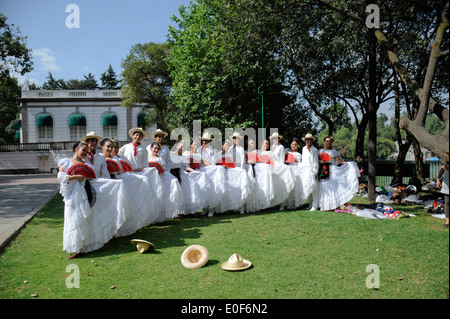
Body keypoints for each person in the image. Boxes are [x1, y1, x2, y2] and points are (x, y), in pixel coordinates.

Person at [57, 142, 126, 259]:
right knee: (74, 219)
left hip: (87, 192)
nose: (85, 153)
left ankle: (84, 246)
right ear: (76, 149)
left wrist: (113, 183)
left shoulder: (87, 163)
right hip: (73, 195)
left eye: (86, 151)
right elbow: (61, 177)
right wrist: (76, 177)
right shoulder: (66, 162)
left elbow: (93, 176)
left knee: (86, 218)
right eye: (83, 150)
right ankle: (76, 247)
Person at [100, 138, 163, 235]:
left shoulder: (116, 158)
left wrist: (132, 174)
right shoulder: (99, 158)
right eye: (109, 147)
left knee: (143, 181)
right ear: (103, 147)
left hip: (118, 179)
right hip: (106, 182)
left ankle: (121, 228)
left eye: (112, 147)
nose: (111, 149)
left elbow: (121, 171)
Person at [317, 136, 360, 211]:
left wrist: (347, 163)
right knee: (324, 188)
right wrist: (321, 161)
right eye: (327, 141)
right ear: (324, 142)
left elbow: (339, 161)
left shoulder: (334, 151)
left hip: (331, 169)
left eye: (329, 141)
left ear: (331, 142)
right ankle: (324, 204)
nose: (328, 142)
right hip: (322, 170)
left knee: (331, 187)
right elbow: (317, 160)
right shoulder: (320, 151)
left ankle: (331, 205)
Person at [170, 140, 212, 216]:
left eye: (184, 147)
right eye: (181, 146)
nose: (182, 148)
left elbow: (186, 167)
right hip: (172, 173)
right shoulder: (170, 154)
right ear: (177, 146)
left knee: (191, 186)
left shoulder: (183, 157)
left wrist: (195, 172)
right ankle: (176, 211)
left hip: (181, 173)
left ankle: (189, 210)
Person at [149, 142, 185, 219]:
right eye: (154, 148)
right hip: (151, 178)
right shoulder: (148, 158)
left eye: (157, 149)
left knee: (172, 183)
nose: (156, 150)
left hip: (161, 177)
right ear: (151, 149)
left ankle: (173, 211)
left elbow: (164, 169)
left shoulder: (160, 159)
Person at [214, 140, 251, 215]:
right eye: (225, 145)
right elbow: (215, 164)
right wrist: (221, 166)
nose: (227, 147)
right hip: (220, 172)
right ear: (222, 146)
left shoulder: (230, 155)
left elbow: (232, 164)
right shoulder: (218, 154)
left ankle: (230, 207)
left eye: (228, 145)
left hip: (229, 172)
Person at [197, 132, 227, 216]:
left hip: (211, 171)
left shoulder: (212, 150)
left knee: (212, 189)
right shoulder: (199, 150)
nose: (205, 142)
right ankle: (205, 208)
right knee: (204, 189)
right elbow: (201, 161)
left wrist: (210, 166)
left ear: (210, 141)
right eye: (204, 140)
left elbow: (214, 162)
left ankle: (211, 209)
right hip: (203, 170)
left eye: (207, 140)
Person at [266, 133, 296, 210]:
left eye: (277, 138)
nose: (275, 140)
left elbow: (281, 158)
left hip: (279, 167)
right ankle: (277, 202)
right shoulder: (272, 147)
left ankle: (283, 203)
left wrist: (279, 167)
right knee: (276, 186)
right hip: (273, 167)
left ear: (279, 139)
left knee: (282, 185)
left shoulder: (281, 147)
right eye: (274, 138)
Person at [244, 138, 274, 212]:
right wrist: (248, 161)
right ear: (247, 144)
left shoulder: (256, 152)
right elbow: (243, 161)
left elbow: (260, 160)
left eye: (253, 143)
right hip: (248, 169)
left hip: (256, 169)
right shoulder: (244, 152)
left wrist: (256, 161)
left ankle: (258, 204)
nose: (252, 145)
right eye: (251, 143)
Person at [301, 133, 320, 211]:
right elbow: (303, 160)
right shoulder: (303, 149)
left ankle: (315, 205)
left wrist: (315, 172)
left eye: (310, 140)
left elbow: (316, 162)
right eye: (307, 140)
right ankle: (310, 204)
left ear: (312, 141)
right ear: (305, 141)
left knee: (314, 188)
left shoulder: (315, 150)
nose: (308, 141)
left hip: (312, 171)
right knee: (308, 188)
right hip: (305, 171)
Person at [436, 151, 449, 227]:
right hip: (447, 183)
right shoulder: (446, 162)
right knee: (447, 202)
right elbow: (443, 168)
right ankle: (447, 221)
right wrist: (438, 179)